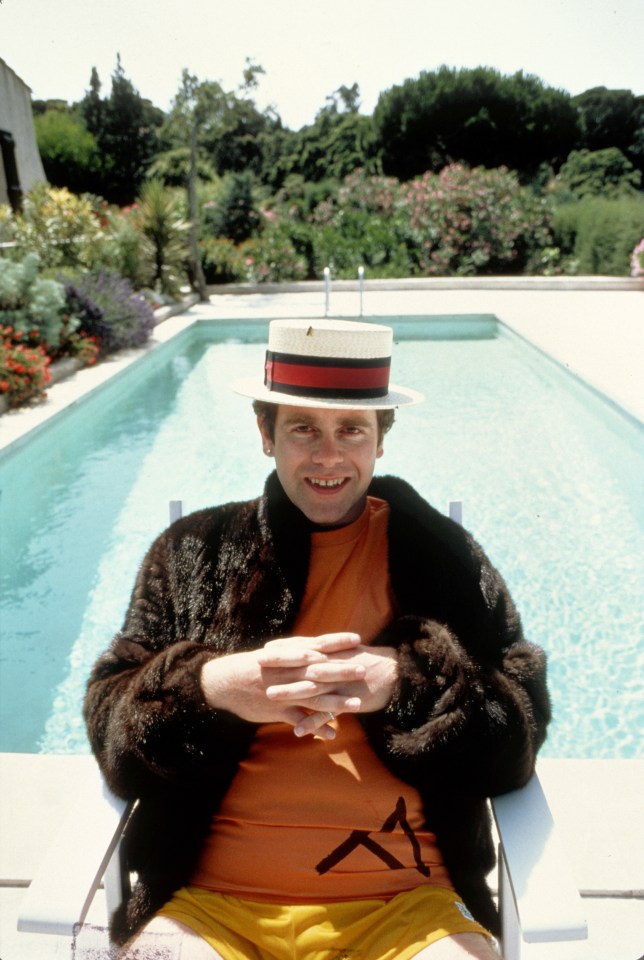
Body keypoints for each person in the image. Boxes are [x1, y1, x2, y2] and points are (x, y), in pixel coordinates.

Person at [84, 318, 551, 960]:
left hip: (409, 906)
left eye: (352, 430)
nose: (329, 456)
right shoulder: (193, 553)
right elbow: (110, 725)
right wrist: (214, 688)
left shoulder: (444, 560)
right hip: (208, 902)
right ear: (265, 433)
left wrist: (407, 684)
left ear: (380, 441)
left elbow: (518, 735)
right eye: (303, 427)